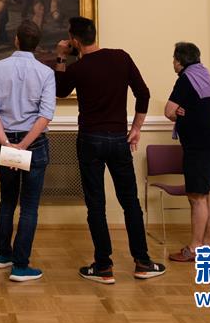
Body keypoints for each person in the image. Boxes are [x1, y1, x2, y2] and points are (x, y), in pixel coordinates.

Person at [49, 16, 166, 284]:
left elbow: (61, 91)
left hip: (90, 139)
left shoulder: (78, 68)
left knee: (96, 204)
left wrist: (60, 56)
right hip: (118, 139)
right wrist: (136, 128)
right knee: (130, 202)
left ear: (75, 41)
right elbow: (143, 93)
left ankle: (103, 266)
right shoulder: (121, 57)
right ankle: (143, 262)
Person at [0, 20, 56, 282]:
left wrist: (7, 144)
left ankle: (3, 255)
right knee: (29, 206)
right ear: (36, 44)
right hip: (33, 143)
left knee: (7, 200)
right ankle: (20, 266)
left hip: (6, 140)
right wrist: (23, 146)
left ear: (16, 39)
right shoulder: (45, 73)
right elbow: (45, 115)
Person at [164, 42, 210, 262]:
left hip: (198, 147)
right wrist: (183, 110)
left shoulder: (185, 78)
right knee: (209, 193)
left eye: (174, 59)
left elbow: (168, 111)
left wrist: (178, 112)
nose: (173, 63)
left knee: (197, 198)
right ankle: (209, 242)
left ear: (180, 60)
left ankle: (195, 247)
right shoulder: (204, 75)